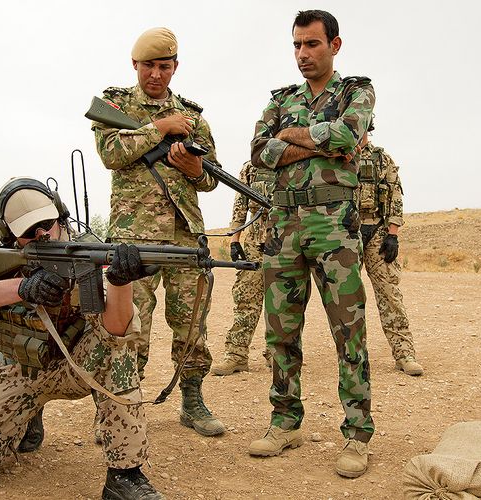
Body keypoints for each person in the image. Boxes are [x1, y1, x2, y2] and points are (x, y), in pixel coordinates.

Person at [0, 178, 162, 499]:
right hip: (16, 370)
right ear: (8, 230)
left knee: (117, 351)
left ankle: (125, 475)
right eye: (29, 230)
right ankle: (25, 419)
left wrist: (120, 282)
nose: (42, 234)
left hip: (76, 365)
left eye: (47, 224)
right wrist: (21, 288)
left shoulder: (85, 248)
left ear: (60, 215)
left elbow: (117, 330)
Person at [247, 10, 375, 478]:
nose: (303, 54)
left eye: (312, 44)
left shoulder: (355, 92)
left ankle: (357, 434)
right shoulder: (281, 100)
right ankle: (284, 422)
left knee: (348, 331)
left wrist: (291, 138)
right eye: (297, 45)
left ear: (334, 45)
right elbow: (261, 152)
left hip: (334, 224)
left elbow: (349, 133)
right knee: (280, 331)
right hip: (283, 226)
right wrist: (323, 144)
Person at [91, 27, 225, 437]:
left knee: (192, 324)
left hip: (185, 234)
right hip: (135, 238)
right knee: (130, 325)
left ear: (175, 67)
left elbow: (211, 179)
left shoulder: (193, 116)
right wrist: (160, 128)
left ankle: (192, 401)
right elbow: (111, 154)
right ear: (135, 65)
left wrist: (194, 169)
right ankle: (118, 407)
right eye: (149, 65)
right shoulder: (114, 104)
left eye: (164, 66)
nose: (156, 74)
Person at [356, 131, 424, 376]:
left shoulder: (382, 159)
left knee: (390, 295)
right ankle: (354, 356)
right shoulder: (338, 157)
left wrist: (392, 234)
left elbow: (395, 197)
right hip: (346, 232)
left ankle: (404, 353)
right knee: (348, 300)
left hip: (377, 231)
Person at [211, 161, 274, 375]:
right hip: (255, 245)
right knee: (246, 300)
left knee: (283, 304)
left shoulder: (294, 164)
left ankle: (279, 355)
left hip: (287, 246)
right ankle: (236, 356)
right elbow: (240, 207)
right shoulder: (251, 168)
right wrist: (235, 240)